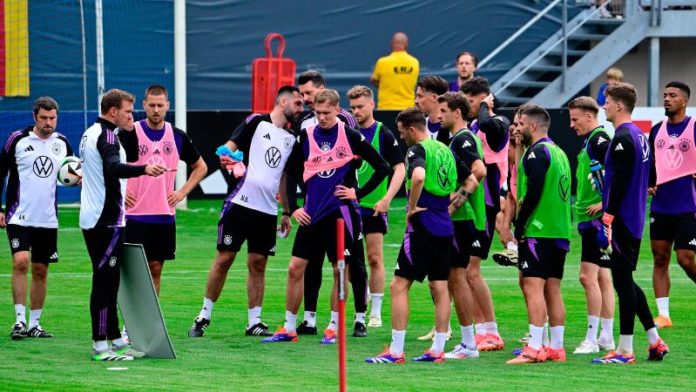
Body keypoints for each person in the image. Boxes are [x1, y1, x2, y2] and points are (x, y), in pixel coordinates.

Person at [262, 89, 389, 344]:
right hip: (311, 215)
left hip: (341, 215)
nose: (321, 118)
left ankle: (333, 325)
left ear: (338, 111)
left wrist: (357, 193)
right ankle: (289, 327)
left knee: (339, 270)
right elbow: (289, 172)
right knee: (294, 268)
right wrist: (294, 208)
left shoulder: (350, 135)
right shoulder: (306, 136)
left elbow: (382, 167)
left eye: (327, 113)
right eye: (318, 113)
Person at [188, 86, 303, 338]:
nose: (300, 108)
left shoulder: (292, 138)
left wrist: (285, 211)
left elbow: (285, 177)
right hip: (240, 202)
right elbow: (227, 147)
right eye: (297, 103)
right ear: (282, 101)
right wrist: (228, 158)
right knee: (225, 258)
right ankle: (203, 315)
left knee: (258, 263)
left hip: (266, 211)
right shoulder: (257, 121)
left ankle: (254, 322)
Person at [365, 107, 477, 363]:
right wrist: (452, 206)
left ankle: (395, 351)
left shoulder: (418, 150)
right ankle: (437, 350)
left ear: (412, 129)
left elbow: (417, 176)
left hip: (423, 225)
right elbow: (471, 181)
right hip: (444, 226)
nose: (403, 138)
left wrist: (413, 206)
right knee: (439, 286)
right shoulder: (446, 150)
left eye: (403, 133)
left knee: (399, 285)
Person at [80, 89, 165, 361]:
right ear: (113, 111)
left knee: (112, 280)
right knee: (104, 281)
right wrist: (144, 169)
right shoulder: (106, 136)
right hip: (105, 221)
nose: (132, 116)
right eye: (128, 111)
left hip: (105, 219)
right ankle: (99, 345)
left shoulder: (93, 133)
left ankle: (115, 340)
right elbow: (113, 168)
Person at [592, 82, 669, 364]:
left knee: (622, 282)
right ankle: (654, 340)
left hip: (623, 219)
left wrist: (608, 217)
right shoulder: (639, 135)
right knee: (625, 279)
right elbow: (651, 173)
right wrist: (647, 185)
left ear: (619, 105)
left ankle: (625, 350)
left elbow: (622, 181)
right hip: (633, 217)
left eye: (608, 102)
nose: (604, 106)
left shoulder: (623, 138)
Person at [293, 70, 368, 337]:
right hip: (315, 207)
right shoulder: (305, 124)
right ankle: (310, 320)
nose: (306, 100)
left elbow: (366, 161)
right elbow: (297, 166)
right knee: (311, 264)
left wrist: (356, 191)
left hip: (343, 208)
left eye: (309, 94)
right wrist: (297, 203)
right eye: (303, 96)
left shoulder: (345, 125)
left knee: (351, 264)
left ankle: (359, 317)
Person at [119, 85, 207, 296]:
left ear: (167, 106)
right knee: (133, 272)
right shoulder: (129, 133)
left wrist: (181, 192)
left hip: (164, 215)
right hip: (134, 215)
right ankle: (128, 327)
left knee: (156, 269)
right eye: (152, 105)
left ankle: (149, 325)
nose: (156, 110)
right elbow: (110, 166)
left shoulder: (177, 136)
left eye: (160, 105)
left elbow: (201, 167)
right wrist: (120, 193)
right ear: (144, 105)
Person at [0, 97, 72, 340]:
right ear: (34, 117)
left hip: (48, 219)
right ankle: (19, 321)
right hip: (18, 216)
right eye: (44, 118)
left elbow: (73, 170)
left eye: (52, 118)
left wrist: (78, 177)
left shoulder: (62, 143)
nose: (48, 123)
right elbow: (1, 172)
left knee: (41, 270)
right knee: (21, 261)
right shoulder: (17, 140)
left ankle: (35, 324)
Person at [507, 105, 572, 364]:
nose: (517, 128)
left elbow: (533, 192)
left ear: (532, 126)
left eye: (520, 124)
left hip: (539, 230)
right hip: (560, 230)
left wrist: (519, 225)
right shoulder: (559, 152)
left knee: (533, 286)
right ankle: (556, 348)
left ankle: (534, 348)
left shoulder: (537, 153)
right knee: (553, 289)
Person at [347, 85, 405, 328]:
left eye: (360, 106)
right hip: (349, 206)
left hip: (373, 207)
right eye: (353, 108)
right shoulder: (346, 133)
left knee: (374, 258)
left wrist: (387, 199)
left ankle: (376, 311)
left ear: (372, 105)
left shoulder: (383, 133)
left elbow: (399, 168)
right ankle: (359, 301)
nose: (357, 111)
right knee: (350, 261)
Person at [460, 77, 510, 350]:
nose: (468, 107)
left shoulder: (498, 123)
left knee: (473, 271)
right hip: (474, 205)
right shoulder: (474, 126)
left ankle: (491, 331)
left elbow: (489, 123)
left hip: (488, 206)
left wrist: (484, 106)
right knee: (467, 271)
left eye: (471, 101)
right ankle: (481, 331)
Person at [437, 92, 485, 360]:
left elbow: (479, 170)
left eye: (444, 111)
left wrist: (453, 203)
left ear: (457, 113)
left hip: (462, 219)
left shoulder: (463, 139)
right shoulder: (458, 139)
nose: (439, 115)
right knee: (455, 279)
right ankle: (467, 341)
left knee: (458, 278)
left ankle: (469, 344)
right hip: (461, 218)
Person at [567, 97, 616, 354]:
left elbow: (618, 172)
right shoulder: (592, 140)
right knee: (602, 277)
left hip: (595, 220)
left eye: (575, 119)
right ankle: (606, 336)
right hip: (591, 218)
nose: (572, 124)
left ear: (589, 115)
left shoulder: (599, 140)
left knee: (587, 277)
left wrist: (604, 204)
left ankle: (591, 338)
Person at [649, 81, 696, 329]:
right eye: (665, 95)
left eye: (673, 95)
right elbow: (651, 165)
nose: (667, 98)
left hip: (688, 204)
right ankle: (664, 315)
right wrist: (650, 183)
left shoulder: (694, 128)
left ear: (684, 101)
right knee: (660, 258)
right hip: (661, 205)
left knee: (686, 259)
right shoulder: (656, 131)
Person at [370, 32, 420, 110]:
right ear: (406, 44)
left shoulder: (382, 62)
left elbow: (374, 80)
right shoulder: (415, 62)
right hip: (408, 108)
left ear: (391, 44)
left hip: (386, 108)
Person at [414, 75, 451, 145]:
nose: (416, 101)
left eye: (420, 96)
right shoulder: (419, 126)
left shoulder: (453, 127)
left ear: (434, 97)